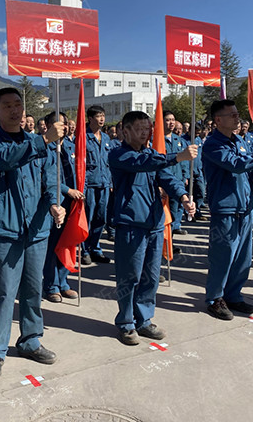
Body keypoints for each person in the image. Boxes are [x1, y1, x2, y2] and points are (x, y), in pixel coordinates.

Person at [0, 87, 65, 382]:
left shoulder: (38, 143)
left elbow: (51, 178)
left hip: (36, 228)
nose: (15, 110)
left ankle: (30, 340)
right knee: (3, 292)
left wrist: (55, 203)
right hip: (5, 228)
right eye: (7, 106)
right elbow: (8, 159)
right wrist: (44, 140)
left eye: (18, 104)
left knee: (32, 289)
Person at [109, 111, 197, 345]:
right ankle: (126, 323)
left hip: (155, 223)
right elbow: (142, 164)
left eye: (147, 128)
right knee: (130, 276)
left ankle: (144, 319)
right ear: (125, 131)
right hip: (131, 223)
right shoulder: (119, 154)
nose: (145, 133)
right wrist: (178, 157)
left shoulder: (151, 154)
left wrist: (183, 196)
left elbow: (166, 178)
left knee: (151, 276)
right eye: (139, 129)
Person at [202, 100, 253, 320]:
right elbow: (236, 165)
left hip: (245, 207)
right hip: (226, 209)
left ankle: (233, 295)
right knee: (223, 257)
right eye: (232, 115)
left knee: (242, 258)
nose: (237, 118)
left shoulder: (240, 141)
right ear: (218, 120)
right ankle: (215, 299)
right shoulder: (212, 145)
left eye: (237, 114)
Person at [42, 111, 82, 303]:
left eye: (65, 123)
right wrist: (68, 190)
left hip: (72, 202)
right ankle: (51, 285)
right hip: (54, 202)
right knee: (53, 245)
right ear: (48, 126)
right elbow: (48, 178)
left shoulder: (71, 147)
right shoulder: (45, 148)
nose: (63, 127)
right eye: (58, 123)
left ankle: (63, 281)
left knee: (68, 242)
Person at [82, 105, 112, 264]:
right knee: (88, 218)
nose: (102, 119)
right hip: (90, 185)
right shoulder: (83, 137)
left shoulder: (106, 138)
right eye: (98, 116)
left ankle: (95, 248)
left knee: (101, 218)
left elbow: (109, 162)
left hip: (104, 184)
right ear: (90, 118)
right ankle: (84, 250)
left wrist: (110, 182)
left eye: (103, 116)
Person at [163, 111, 190, 235]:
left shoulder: (178, 140)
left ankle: (173, 234)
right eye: (168, 120)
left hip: (177, 179)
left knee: (176, 209)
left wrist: (185, 176)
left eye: (173, 120)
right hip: (163, 182)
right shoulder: (156, 139)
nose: (171, 122)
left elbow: (184, 161)